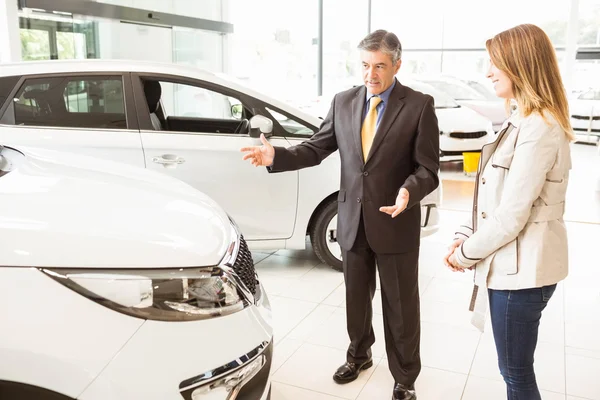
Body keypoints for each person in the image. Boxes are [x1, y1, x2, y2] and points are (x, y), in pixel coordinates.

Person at [241, 30, 439, 400]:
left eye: (380, 66)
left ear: (397, 64)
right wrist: (277, 156)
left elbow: (428, 168)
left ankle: (405, 375)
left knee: (401, 305)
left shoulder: (418, 105)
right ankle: (359, 354)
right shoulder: (344, 101)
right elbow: (317, 147)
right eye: (365, 65)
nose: (371, 74)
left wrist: (409, 191)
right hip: (352, 219)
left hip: (395, 219)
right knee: (355, 299)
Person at [444, 24, 574, 400]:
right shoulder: (520, 120)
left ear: (520, 65)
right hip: (510, 266)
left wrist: (465, 255)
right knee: (512, 369)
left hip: (522, 275)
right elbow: (490, 195)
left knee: (515, 372)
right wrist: (462, 235)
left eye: (495, 64)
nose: (488, 72)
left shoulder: (540, 128)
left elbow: (511, 216)